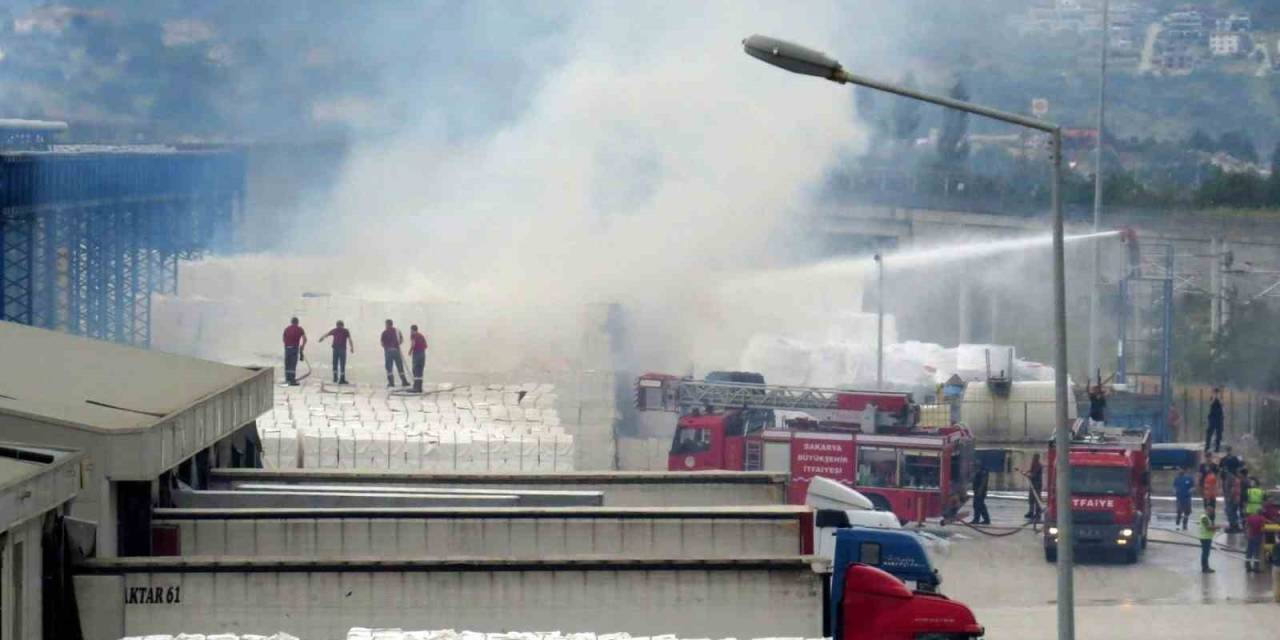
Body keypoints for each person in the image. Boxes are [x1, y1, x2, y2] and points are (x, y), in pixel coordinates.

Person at [318, 320, 354, 385]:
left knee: (335, 363)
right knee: (342, 363)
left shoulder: (335, 330)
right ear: (343, 325)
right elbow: (350, 339)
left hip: (336, 349)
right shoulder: (345, 331)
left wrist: (322, 338)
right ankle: (341, 379)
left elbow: (327, 334)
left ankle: (335, 378)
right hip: (342, 349)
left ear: (337, 325)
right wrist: (352, 347)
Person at [380, 319, 410, 388]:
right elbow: (401, 340)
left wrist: (386, 347)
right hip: (396, 351)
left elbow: (382, 343)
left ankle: (391, 383)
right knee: (400, 366)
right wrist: (397, 345)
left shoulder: (384, 332)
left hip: (388, 351)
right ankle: (404, 382)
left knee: (389, 367)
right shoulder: (397, 331)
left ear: (387, 324)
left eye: (386, 324)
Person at [281, 317, 306, 386]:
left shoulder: (287, 329)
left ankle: (287, 379)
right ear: (297, 322)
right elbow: (305, 339)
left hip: (287, 348)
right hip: (294, 348)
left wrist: (287, 345)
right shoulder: (300, 329)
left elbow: (283, 338)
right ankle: (292, 381)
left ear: (291, 322)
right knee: (292, 364)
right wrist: (302, 347)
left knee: (287, 364)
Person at [1020, 453, 1043, 521]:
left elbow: (1034, 475)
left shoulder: (1038, 465)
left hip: (1037, 485)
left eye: (1034, 458)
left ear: (1036, 458)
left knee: (1036, 499)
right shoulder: (1034, 464)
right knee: (1031, 499)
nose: (1033, 459)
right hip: (1033, 484)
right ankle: (1031, 512)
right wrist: (1026, 472)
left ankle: (1038, 514)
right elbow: (1031, 471)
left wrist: (1027, 475)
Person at [407, 324, 428, 393]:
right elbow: (426, 346)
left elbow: (413, 344)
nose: (410, 332)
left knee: (415, 370)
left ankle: (416, 388)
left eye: (411, 330)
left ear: (412, 330)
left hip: (417, 354)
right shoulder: (421, 336)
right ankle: (419, 387)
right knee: (420, 371)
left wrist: (410, 351)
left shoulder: (413, 335)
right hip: (422, 354)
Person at [1245, 509, 1266, 573]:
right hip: (1257, 536)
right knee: (1256, 553)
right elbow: (1262, 528)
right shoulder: (1262, 518)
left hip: (1250, 536)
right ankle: (1256, 568)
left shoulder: (1250, 517)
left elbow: (1246, 525)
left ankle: (1248, 566)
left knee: (1249, 552)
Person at [1206, 387, 1224, 453]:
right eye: (1215, 392)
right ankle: (1207, 447)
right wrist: (1214, 396)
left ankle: (1217, 449)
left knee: (1219, 434)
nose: (1216, 393)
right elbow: (1211, 403)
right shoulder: (1212, 397)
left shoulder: (1220, 398)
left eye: (1217, 392)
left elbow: (1222, 404)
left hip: (1219, 418)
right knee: (1209, 433)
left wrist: (1219, 397)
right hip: (1212, 418)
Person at [1222, 469, 1240, 533]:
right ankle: (1236, 526)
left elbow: (1232, 489)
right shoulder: (1234, 478)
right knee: (1234, 513)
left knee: (1230, 512)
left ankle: (1232, 527)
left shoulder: (1230, 478)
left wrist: (1229, 497)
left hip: (1232, 499)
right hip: (1235, 499)